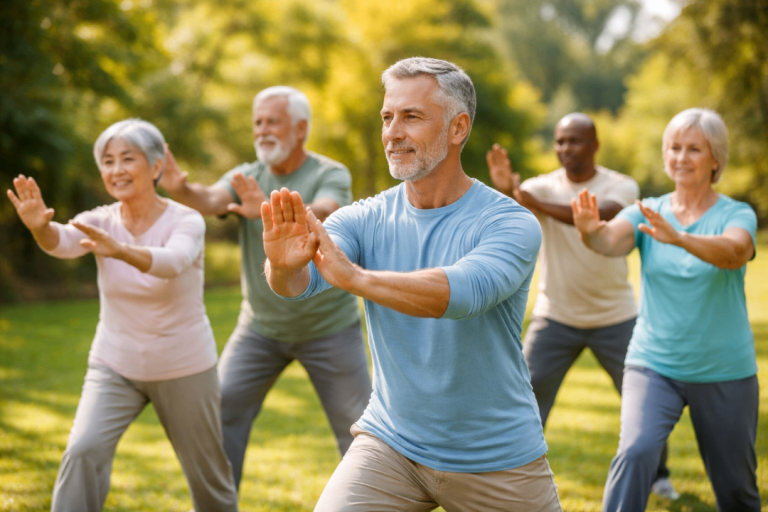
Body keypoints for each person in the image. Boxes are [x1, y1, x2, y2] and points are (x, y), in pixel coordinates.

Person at [261, 57, 561, 511]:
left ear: (458, 128)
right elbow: (299, 283)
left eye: (411, 117)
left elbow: (463, 293)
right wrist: (283, 267)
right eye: (387, 117)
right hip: (392, 443)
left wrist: (357, 278)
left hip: (494, 456)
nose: (392, 132)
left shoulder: (510, 223)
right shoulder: (365, 217)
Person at [5, 119, 238, 512]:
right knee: (83, 450)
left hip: (183, 364)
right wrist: (39, 228)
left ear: (156, 165)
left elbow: (173, 261)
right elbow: (61, 242)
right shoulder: (100, 220)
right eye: (108, 161)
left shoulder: (186, 220)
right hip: (115, 363)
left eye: (128, 158)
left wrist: (121, 250)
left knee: (208, 477)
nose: (116, 169)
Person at [158, 86, 372, 489]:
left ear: (301, 128)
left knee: (361, 430)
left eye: (273, 121)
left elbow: (327, 210)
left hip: (329, 329)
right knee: (221, 414)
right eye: (257, 122)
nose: (262, 130)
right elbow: (209, 198)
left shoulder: (330, 173)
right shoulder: (247, 176)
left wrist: (269, 209)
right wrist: (179, 189)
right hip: (260, 330)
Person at [571, 108, 760, 511]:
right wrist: (590, 233)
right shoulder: (647, 212)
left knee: (736, 488)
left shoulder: (735, 213)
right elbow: (609, 242)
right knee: (635, 451)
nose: (681, 157)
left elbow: (735, 252)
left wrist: (680, 238)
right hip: (654, 363)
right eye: (674, 148)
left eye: (694, 149)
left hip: (724, 369)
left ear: (716, 159)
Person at [486, 113, 677, 499]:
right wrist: (509, 191)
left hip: (616, 316)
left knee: (645, 399)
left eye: (574, 141)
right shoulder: (540, 186)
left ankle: (659, 475)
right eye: (560, 141)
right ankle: (511, 474)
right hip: (556, 316)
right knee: (525, 396)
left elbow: (597, 215)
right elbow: (510, 214)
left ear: (595, 145)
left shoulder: (621, 185)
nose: (565, 148)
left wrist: (528, 198)